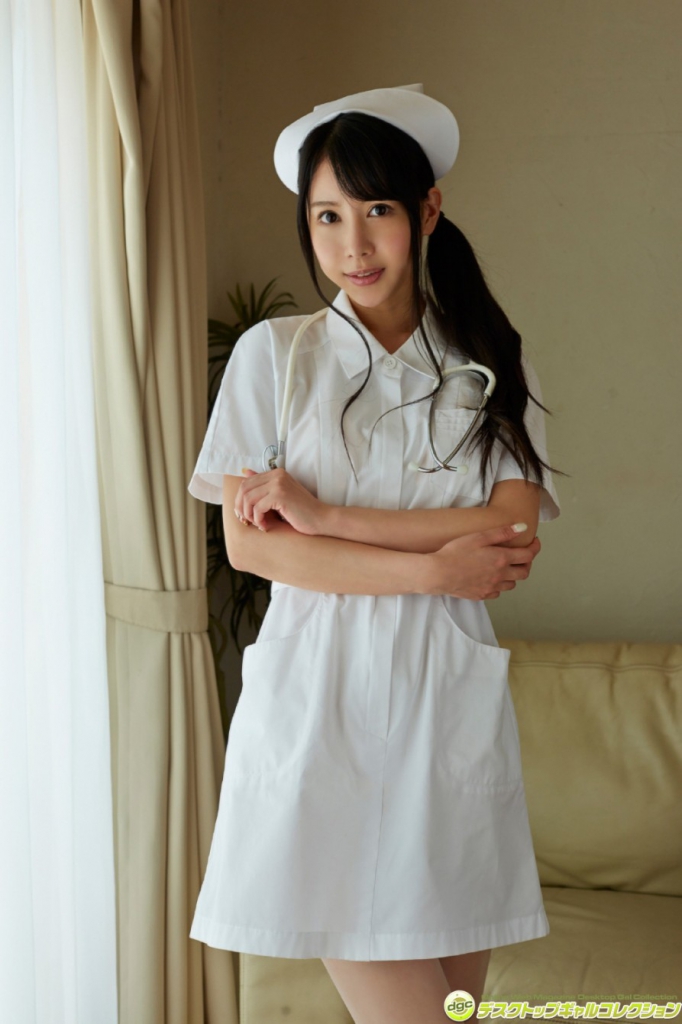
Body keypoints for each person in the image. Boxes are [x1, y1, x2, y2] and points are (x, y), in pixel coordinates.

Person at [187, 84, 561, 1024]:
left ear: (427, 210)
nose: (352, 245)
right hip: (318, 706)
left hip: (446, 703)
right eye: (327, 217)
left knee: (456, 1009)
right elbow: (253, 547)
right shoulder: (273, 359)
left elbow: (511, 531)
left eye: (376, 210)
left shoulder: (490, 361)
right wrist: (434, 569)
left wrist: (321, 515)